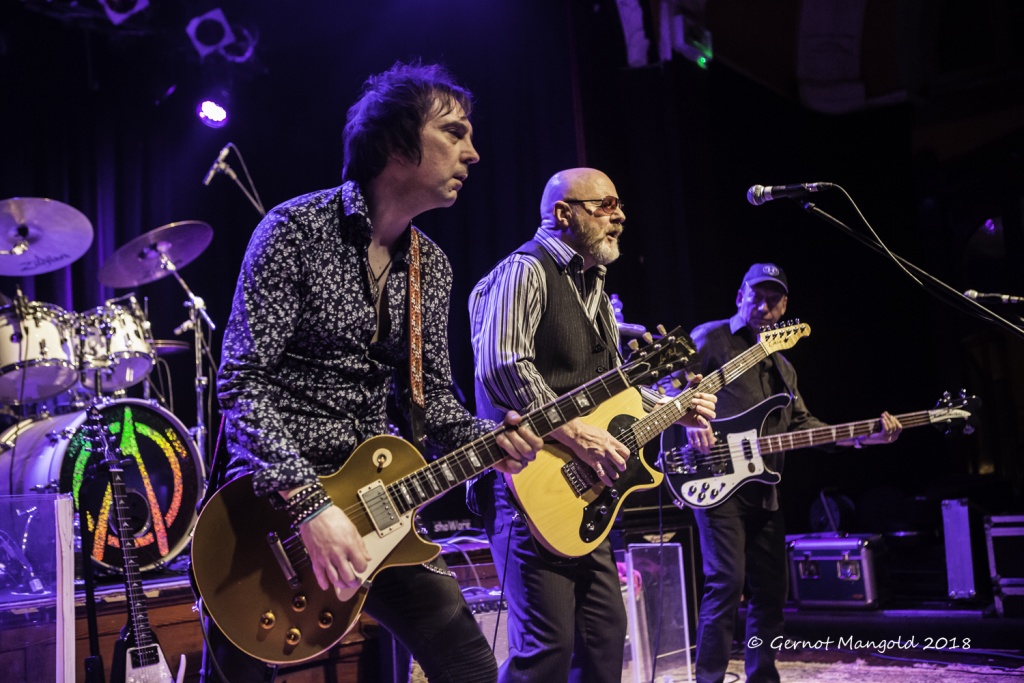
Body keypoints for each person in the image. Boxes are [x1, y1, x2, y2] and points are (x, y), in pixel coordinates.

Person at [205, 61, 543, 683]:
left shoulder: (431, 266)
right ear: (394, 143)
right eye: (454, 132)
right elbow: (241, 380)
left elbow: (433, 403)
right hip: (271, 513)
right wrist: (310, 505)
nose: (472, 153)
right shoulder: (294, 231)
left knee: (470, 667)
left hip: (378, 502)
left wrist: (495, 439)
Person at [468, 167, 717, 683]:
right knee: (546, 650)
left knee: (605, 637)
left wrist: (676, 403)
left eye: (619, 205)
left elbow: (613, 390)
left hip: (586, 491)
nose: (619, 216)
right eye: (605, 205)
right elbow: (502, 366)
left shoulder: (596, 289)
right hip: (523, 485)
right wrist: (576, 431)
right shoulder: (525, 269)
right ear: (564, 213)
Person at [683, 263, 903, 683]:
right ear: (740, 296)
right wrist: (692, 420)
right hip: (714, 481)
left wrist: (864, 437)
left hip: (764, 490)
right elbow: (670, 385)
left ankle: (763, 676)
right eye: (756, 296)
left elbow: (804, 426)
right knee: (726, 582)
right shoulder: (711, 337)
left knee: (771, 591)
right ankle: (708, 679)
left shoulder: (784, 368)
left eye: (774, 300)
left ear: (784, 307)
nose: (764, 306)